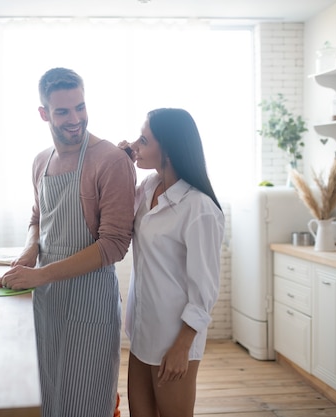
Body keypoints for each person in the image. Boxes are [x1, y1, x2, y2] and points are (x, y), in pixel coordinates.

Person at [0, 67, 136, 417]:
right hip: (49, 301)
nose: (75, 119)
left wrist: (41, 275)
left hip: (90, 300)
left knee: (86, 402)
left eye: (80, 107)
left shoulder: (111, 161)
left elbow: (115, 244)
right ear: (44, 113)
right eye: (62, 111)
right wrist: (31, 250)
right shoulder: (40, 161)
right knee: (49, 398)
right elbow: (37, 218)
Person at [119, 108, 224, 417]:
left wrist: (182, 347)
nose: (136, 146)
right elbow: (115, 219)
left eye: (143, 140)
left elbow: (204, 289)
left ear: (168, 148)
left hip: (174, 336)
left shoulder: (199, 208)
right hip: (142, 329)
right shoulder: (148, 188)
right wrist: (119, 161)